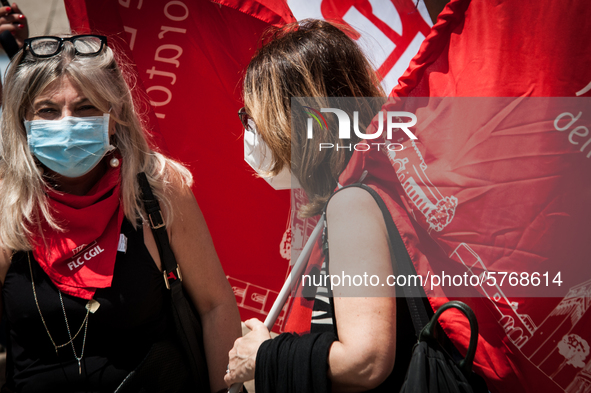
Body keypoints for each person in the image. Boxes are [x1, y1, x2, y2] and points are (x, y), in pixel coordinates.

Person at [0, 34, 241, 392]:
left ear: (115, 117)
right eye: (48, 110)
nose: (67, 124)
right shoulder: (5, 202)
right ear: (24, 121)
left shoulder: (159, 186)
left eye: (85, 108)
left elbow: (215, 306)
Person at [225, 20, 420, 392]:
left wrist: (265, 356)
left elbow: (366, 360)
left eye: (250, 116)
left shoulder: (352, 204)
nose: (248, 131)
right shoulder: (360, 195)